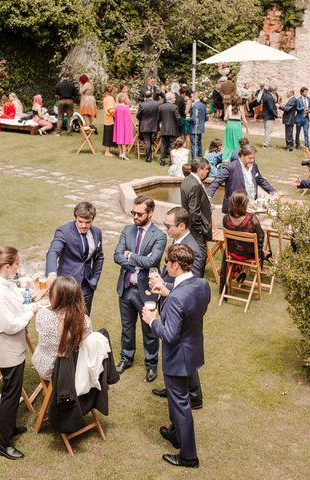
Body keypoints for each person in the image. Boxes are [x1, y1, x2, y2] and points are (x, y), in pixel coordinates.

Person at [141, 244, 210, 469]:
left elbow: (169, 335)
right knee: (176, 399)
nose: (165, 266)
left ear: (176, 265)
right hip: (193, 351)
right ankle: (176, 434)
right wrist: (167, 292)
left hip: (177, 358)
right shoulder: (202, 284)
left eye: (167, 263)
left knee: (181, 404)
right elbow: (190, 307)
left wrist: (151, 320)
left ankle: (189, 456)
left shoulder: (176, 299)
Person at [0, 246, 37, 461]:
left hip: (14, 344)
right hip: (7, 346)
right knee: (10, 394)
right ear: (7, 266)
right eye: (17, 264)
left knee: (14, 392)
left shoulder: (6, 284)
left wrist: (28, 307)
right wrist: (31, 313)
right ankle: (3, 444)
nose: (18, 268)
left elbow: (16, 309)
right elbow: (10, 325)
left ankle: (10, 428)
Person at [114, 196, 167, 382]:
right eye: (133, 213)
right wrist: (136, 261)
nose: (135, 216)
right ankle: (126, 358)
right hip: (127, 287)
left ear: (150, 213)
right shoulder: (127, 230)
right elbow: (116, 256)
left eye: (139, 213)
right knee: (127, 328)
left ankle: (151, 365)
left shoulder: (160, 236)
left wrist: (130, 255)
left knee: (149, 330)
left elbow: (152, 262)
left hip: (147, 291)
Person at [45, 202, 104, 315]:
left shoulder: (97, 232)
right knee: (66, 320)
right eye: (80, 221)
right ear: (75, 217)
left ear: (93, 220)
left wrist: (95, 280)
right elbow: (53, 251)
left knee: (85, 320)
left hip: (87, 286)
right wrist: (52, 273)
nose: (83, 226)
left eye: (88, 222)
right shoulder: (63, 231)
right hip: (67, 286)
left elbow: (99, 257)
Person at [31, 275, 93, 381]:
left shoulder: (43, 315)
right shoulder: (84, 321)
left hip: (46, 368)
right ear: (77, 297)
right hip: (74, 368)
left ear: (53, 296)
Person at [207, 143, 275, 214]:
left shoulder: (254, 166)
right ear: (242, 155)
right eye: (250, 158)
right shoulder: (231, 167)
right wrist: (208, 196)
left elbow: (261, 180)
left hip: (251, 206)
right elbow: (217, 182)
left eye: (253, 158)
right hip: (235, 206)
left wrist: (273, 192)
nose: (252, 160)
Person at [221, 190, 266, 289]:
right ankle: (244, 270)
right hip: (248, 255)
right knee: (255, 248)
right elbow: (261, 237)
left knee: (245, 246)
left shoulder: (226, 219)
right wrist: (259, 254)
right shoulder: (252, 219)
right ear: (244, 203)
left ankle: (241, 271)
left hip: (232, 253)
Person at [180, 156, 212, 266]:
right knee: (200, 257)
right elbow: (194, 211)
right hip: (196, 230)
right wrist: (200, 229)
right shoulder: (195, 185)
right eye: (206, 169)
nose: (208, 171)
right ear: (199, 170)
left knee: (190, 255)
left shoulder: (187, 180)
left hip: (189, 226)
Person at [158, 92, 182, 166]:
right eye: (174, 97)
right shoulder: (174, 107)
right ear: (170, 99)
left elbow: (159, 118)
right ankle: (171, 161)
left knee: (164, 145)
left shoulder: (161, 106)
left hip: (164, 128)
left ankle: (162, 161)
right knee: (172, 145)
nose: (175, 99)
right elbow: (178, 118)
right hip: (173, 129)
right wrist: (179, 124)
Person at [137, 90, 160, 163]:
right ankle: (151, 152)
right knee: (151, 140)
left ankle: (148, 157)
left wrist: (143, 119)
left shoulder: (143, 104)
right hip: (154, 125)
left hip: (145, 125)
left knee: (147, 141)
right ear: (152, 95)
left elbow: (138, 115)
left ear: (145, 96)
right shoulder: (157, 104)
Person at [223, 96, 248, 160]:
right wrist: (247, 128)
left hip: (229, 124)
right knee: (238, 140)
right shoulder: (241, 108)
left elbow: (225, 118)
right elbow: (244, 119)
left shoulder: (229, 107)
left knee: (228, 141)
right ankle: (236, 155)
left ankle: (227, 156)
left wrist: (229, 122)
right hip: (237, 125)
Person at [113, 92, 133, 160]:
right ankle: (124, 154)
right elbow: (128, 118)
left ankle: (120, 153)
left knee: (119, 139)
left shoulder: (117, 108)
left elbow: (115, 116)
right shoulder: (126, 108)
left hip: (118, 125)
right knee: (124, 140)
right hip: (125, 125)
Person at [188, 91, 207, 158]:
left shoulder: (195, 106)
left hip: (194, 128)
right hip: (200, 128)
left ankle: (195, 161)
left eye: (191, 96)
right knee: (199, 144)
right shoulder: (203, 105)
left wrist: (187, 119)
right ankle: (200, 159)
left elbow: (193, 118)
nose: (191, 98)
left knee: (194, 145)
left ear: (195, 96)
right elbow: (205, 118)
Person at [102, 84, 117, 157]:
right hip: (110, 118)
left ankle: (107, 151)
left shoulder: (105, 97)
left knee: (107, 133)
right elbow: (111, 109)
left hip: (106, 118)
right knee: (108, 135)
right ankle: (107, 152)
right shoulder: (110, 98)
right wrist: (114, 114)